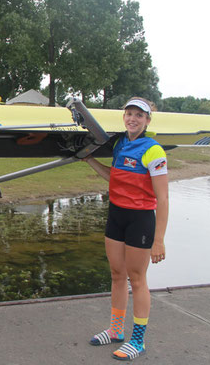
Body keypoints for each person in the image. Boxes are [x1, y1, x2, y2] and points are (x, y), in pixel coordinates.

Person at [84, 97, 168, 361]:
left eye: (139, 115)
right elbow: (114, 176)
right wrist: (89, 160)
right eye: (129, 114)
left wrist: (159, 240)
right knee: (117, 273)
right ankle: (116, 330)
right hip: (116, 215)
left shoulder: (154, 150)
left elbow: (163, 199)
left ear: (147, 120)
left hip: (141, 219)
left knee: (137, 278)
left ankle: (138, 340)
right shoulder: (120, 144)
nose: (132, 119)